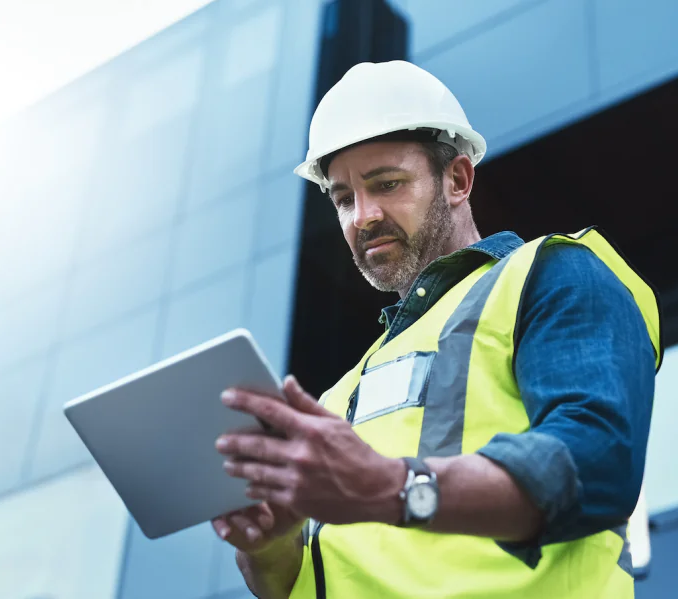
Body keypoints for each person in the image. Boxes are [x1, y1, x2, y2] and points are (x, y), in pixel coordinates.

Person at [210, 61, 661, 598]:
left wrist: (391, 487)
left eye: (387, 184)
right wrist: (269, 548)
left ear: (457, 179)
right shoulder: (336, 399)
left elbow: (597, 463)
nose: (362, 216)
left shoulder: (550, 275)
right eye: (344, 198)